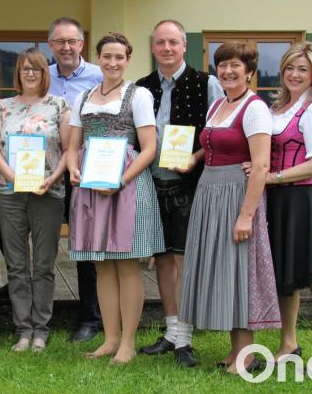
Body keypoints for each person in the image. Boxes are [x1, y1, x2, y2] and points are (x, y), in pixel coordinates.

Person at [179, 42, 281, 375]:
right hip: (210, 192)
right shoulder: (218, 105)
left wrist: (246, 215)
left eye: (235, 65)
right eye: (222, 65)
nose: (228, 71)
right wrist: (192, 159)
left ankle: (247, 354)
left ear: (250, 71)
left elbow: (261, 164)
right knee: (224, 269)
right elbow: (209, 144)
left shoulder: (254, 109)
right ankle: (235, 349)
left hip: (237, 194)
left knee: (239, 270)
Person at [249, 41, 312, 370]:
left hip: (305, 199)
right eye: (290, 68)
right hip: (280, 200)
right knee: (286, 274)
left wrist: (272, 177)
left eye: (302, 69)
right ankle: (288, 342)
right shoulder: (279, 108)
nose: (294, 74)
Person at [67, 33, 165, 364]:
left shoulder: (138, 95)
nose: (112, 63)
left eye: (119, 57)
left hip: (126, 184)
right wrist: (72, 169)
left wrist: (120, 181)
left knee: (126, 265)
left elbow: (149, 148)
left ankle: (128, 342)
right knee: (102, 266)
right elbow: (72, 145)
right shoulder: (82, 97)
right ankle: (109, 339)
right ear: (98, 58)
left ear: (127, 60)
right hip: (91, 184)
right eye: (106, 56)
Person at [134, 20, 223, 366]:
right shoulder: (142, 87)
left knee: (185, 259)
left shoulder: (207, 82)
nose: (167, 48)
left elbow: (215, 132)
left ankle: (185, 337)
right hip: (152, 181)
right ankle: (171, 331)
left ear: (184, 46)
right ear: (153, 47)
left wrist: (195, 157)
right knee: (163, 258)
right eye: (160, 43)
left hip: (191, 182)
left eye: (173, 42)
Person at [0, 48, 71, 352]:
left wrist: (53, 177)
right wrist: (11, 176)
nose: (31, 74)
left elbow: (69, 149)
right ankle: (24, 328)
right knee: (17, 264)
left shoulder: (59, 106)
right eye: (25, 69)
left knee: (45, 263)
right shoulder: (1, 107)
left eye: (36, 69)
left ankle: (41, 329)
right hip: (10, 193)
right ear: (18, 74)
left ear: (44, 73)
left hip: (48, 191)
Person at [46, 16, 104, 343]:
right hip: (47, 169)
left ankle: (90, 317)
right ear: (50, 45)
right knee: (41, 240)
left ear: (81, 44)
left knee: (84, 246)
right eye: (59, 42)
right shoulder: (42, 76)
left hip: (86, 171)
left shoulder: (99, 76)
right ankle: (36, 312)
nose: (66, 47)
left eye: (72, 41)